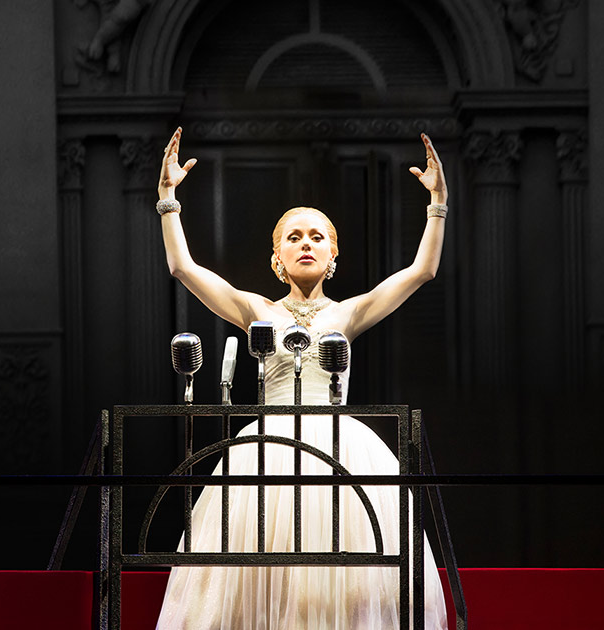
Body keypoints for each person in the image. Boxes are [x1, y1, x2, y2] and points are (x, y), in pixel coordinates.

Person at [154, 127, 450, 629]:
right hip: (266, 449)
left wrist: (437, 204)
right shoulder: (257, 309)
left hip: (340, 449)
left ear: (334, 257)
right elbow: (183, 267)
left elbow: (422, 270)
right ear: (277, 257)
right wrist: (168, 199)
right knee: (259, 579)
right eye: (294, 237)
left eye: (318, 237)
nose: (306, 243)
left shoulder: (350, 313)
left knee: (340, 581)